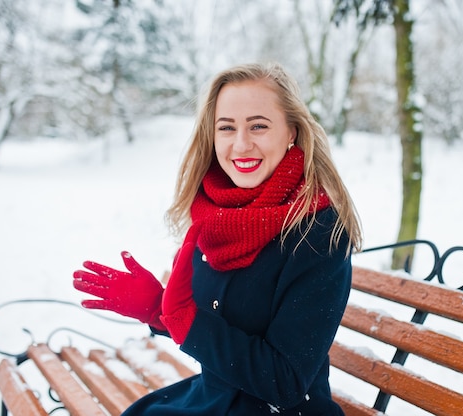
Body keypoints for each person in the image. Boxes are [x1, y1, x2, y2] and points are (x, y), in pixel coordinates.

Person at [73, 62, 362, 416]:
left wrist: (186, 322)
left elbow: (286, 383)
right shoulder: (213, 215)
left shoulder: (318, 235)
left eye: (258, 126)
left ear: (291, 132)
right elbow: (214, 323)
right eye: (226, 127)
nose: (241, 144)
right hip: (216, 399)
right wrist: (159, 312)